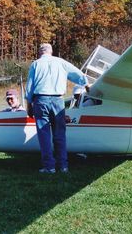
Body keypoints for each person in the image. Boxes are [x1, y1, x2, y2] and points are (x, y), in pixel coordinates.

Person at [26, 43, 89, 174]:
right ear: (51, 52)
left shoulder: (35, 64)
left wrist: (29, 106)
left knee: (44, 134)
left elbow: (30, 88)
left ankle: (49, 167)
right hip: (58, 100)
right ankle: (63, 166)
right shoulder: (60, 62)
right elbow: (78, 74)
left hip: (40, 99)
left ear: (39, 53)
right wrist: (86, 85)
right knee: (59, 134)